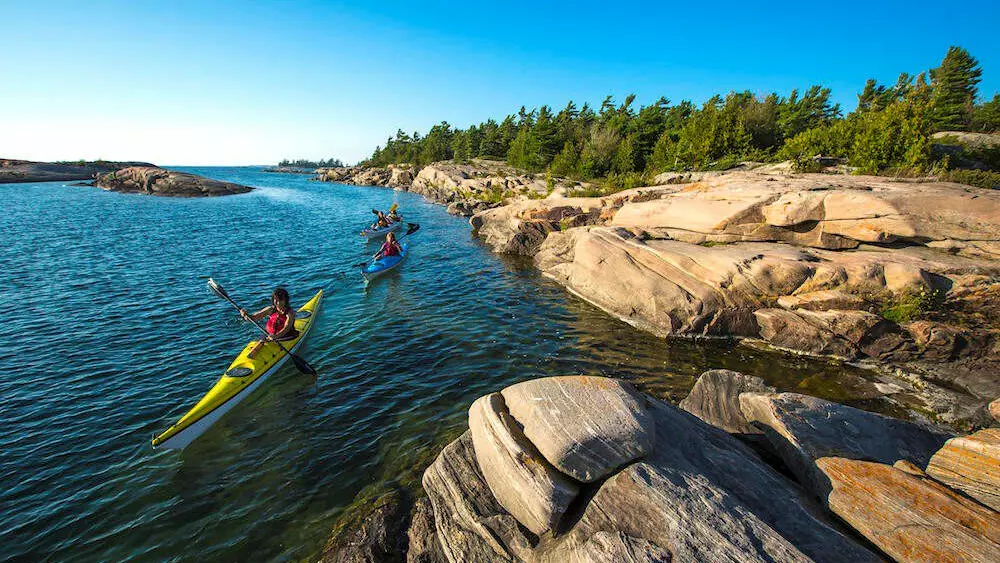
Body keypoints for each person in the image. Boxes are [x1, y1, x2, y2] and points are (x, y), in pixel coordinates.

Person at [240, 287, 298, 359]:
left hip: (286, 337)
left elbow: (286, 328)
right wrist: (245, 315)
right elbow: (254, 318)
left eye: (281, 300)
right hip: (269, 336)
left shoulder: (290, 313)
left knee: (265, 340)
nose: (278, 303)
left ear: (286, 300)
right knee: (262, 340)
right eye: (276, 300)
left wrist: (276, 336)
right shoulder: (270, 309)